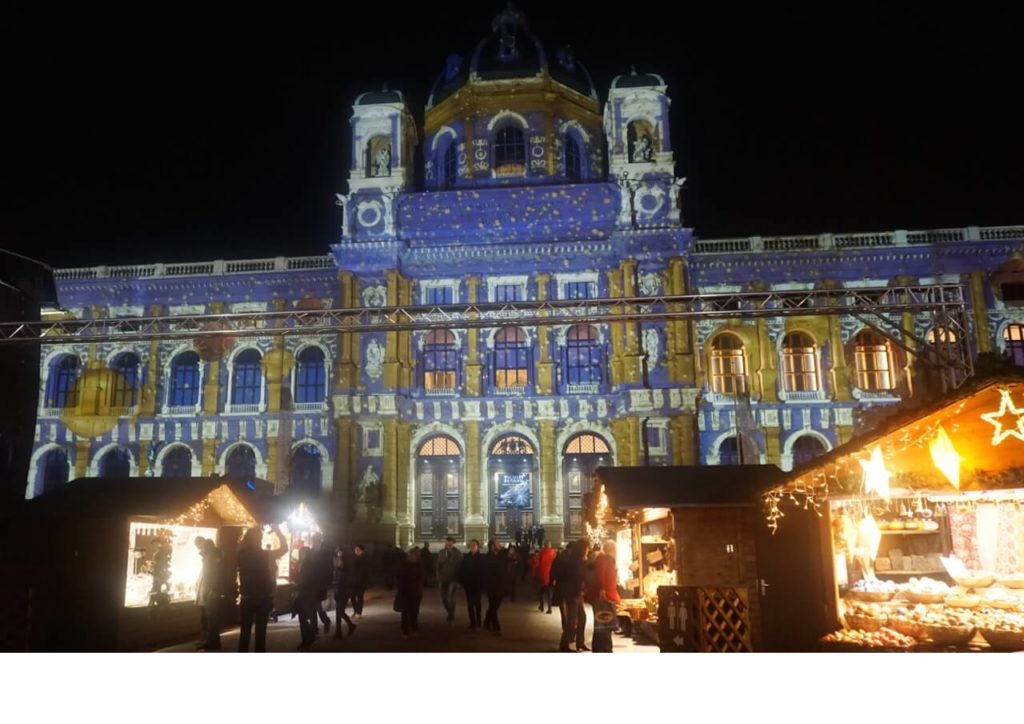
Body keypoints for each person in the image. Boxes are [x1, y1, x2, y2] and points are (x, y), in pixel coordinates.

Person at [237, 525, 288, 652]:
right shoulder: (265, 555)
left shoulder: (240, 554)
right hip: (262, 597)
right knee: (260, 633)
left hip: (247, 597)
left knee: (245, 632)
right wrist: (277, 530)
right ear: (259, 540)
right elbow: (284, 548)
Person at [585, 540, 622, 653]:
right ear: (612, 549)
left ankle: (600, 648)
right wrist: (602, 590)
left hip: (604, 595)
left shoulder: (602, 558)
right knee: (605, 624)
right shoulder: (605, 559)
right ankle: (604, 649)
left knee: (601, 625)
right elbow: (600, 574)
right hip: (604, 597)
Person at [195, 536, 226, 651]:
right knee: (211, 618)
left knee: (211, 618)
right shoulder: (214, 557)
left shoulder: (211, 559)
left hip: (211, 592)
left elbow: (212, 576)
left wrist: (212, 589)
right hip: (211, 591)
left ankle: (212, 642)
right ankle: (213, 641)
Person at [556, 540, 587, 652]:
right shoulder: (575, 561)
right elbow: (576, 576)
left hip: (576, 593)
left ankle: (580, 642)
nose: (587, 550)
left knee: (582, 617)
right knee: (571, 620)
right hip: (572, 594)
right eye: (587, 548)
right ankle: (564, 644)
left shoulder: (578, 560)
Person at [396, 547, 425, 638]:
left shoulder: (417, 565)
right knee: (407, 612)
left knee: (413, 612)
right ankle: (407, 631)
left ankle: (412, 629)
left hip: (414, 592)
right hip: (408, 592)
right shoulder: (409, 565)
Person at [295, 547, 320, 650]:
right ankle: (309, 637)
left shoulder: (307, 565)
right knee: (305, 618)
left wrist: (298, 586)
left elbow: (306, 580)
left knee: (303, 618)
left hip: (306, 595)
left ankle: (307, 639)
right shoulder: (308, 564)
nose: (300, 555)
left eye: (302, 553)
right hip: (307, 594)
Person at [458, 539, 485, 631]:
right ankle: (472, 622)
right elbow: (461, 571)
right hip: (468, 586)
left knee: (477, 604)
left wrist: (482, 584)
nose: (473, 546)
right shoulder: (466, 558)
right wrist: (463, 583)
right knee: (470, 605)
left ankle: (478, 621)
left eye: (474, 545)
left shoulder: (481, 558)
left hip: (477, 585)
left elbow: (483, 573)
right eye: (471, 545)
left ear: (478, 546)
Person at [483, 539, 509, 634]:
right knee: (493, 607)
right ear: (492, 546)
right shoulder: (488, 558)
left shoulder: (500, 555)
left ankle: (486, 622)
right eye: (497, 543)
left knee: (493, 606)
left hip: (500, 586)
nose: (500, 544)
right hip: (492, 586)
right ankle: (496, 627)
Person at [436, 536, 463, 623]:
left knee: (449, 597)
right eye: (447, 542)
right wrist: (438, 577)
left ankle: (451, 614)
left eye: (450, 542)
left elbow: (460, 568)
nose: (449, 543)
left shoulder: (458, 553)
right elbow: (438, 566)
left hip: (453, 579)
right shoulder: (442, 552)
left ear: (453, 543)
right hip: (443, 578)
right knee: (443, 598)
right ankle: (450, 612)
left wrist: (459, 581)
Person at [310, 533, 333, 634]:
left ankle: (325, 621)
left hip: (321, 584)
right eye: (314, 540)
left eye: (317, 540)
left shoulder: (325, 553)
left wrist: (328, 584)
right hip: (311, 583)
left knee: (319, 607)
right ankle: (315, 627)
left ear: (320, 541)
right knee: (313, 607)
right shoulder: (311, 552)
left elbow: (329, 569)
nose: (315, 543)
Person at [332, 547, 357, 639]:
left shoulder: (345, 566)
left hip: (343, 591)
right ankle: (348, 627)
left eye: (339, 552)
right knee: (340, 612)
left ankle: (340, 631)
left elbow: (344, 579)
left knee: (339, 612)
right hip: (341, 590)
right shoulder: (342, 566)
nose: (338, 554)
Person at [535, 541, 556, 614]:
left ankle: (542, 605)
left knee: (541, 592)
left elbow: (537, 564)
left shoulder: (541, 552)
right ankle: (549, 608)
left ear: (544, 545)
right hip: (551, 575)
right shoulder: (554, 553)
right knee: (548, 593)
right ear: (550, 545)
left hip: (542, 574)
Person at [349, 544, 368, 617]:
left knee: (360, 597)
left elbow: (367, 572)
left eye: (358, 550)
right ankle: (355, 610)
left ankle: (359, 612)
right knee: (352, 597)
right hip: (353, 582)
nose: (356, 551)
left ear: (362, 551)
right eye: (355, 550)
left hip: (361, 582)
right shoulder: (352, 559)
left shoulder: (365, 559)